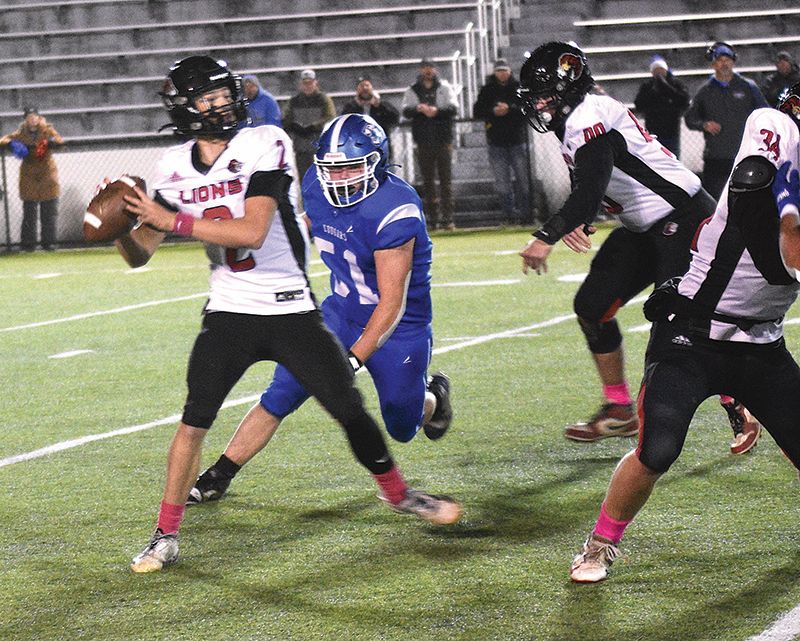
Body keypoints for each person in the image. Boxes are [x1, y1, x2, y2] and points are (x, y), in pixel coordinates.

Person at [119, 56, 462, 574]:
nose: (340, 178)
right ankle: (197, 498)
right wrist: (119, 225)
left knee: (394, 421)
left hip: (373, 320)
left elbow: (259, 234)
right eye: (207, 98)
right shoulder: (182, 167)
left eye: (224, 94)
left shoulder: (273, 146)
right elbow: (142, 248)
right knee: (229, 409)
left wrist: (173, 219)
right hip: (285, 308)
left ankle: (427, 415)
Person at [568, 82, 800, 584]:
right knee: (658, 449)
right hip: (692, 334)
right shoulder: (775, 130)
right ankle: (601, 542)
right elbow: (761, 191)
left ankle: (739, 402)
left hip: (759, 344)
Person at [186, 114, 454, 504]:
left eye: (350, 169)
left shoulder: (396, 208)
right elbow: (306, 223)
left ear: (376, 163)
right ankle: (220, 473)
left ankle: (434, 398)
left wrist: (354, 360)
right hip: (340, 312)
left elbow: (391, 303)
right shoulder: (314, 183)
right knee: (283, 389)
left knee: (402, 424)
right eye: (333, 170)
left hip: (398, 326)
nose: (339, 179)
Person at [516, 42, 760, 454]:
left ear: (569, 84)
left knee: (683, 326)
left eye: (545, 93)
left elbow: (592, 185)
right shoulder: (578, 115)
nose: (539, 104)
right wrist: (582, 216)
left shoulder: (589, 116)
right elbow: (600, 177)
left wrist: (548, 234)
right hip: (644, 225)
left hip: (683, 219)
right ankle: (618, 409)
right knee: (592, 307)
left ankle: (739, 403)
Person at [685, 42, 768, 200]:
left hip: (744, 154)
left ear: (733, 62)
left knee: (746, 200)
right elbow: (690, 118)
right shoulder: (705, 91)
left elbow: (765, 113)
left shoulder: (748, 87)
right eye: (720, 60)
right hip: (716, 157)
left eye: (727, 59)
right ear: (713, 64)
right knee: (715, 200)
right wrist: (704, 125)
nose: (724, 64)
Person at [401, 58, 458, 231]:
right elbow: (405, 110)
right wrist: (419, 109)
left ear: (435, 70)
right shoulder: (413, 90)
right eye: (425, 68)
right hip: (424, 141)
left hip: (443, 140)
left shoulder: (444, 87)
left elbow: (453, 108)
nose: (428, 71)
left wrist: (437, 111)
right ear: (420, 70)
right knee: (428, 182)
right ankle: (432, 219)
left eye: (430, 68)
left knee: (446, 181)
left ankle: (448, 218)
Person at [473, 58, 531, 224]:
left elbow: (527, 108)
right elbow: (478, 110)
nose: (502, 74)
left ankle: (526, 214)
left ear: (509, 71)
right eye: (499, 71)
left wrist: (510, 109)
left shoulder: (519, 88)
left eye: (504, 70)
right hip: (496, 141)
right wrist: (493, 111)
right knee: (502, 181)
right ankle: (508, 215)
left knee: (523, 179)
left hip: (517, 139)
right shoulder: (487, 90)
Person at [0, 107, 63, 251]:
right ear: (25, 119)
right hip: (29, 174)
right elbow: (4, 139)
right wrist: (10, 143)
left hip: (47, 173)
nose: (32, 119)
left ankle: (49, 242)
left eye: (34, 116)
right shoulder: (21, 133)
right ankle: (28, 244)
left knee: (49, 210)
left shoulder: (47, 131)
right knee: (29, 211)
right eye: (29, 117)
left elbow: (59, 141)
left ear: (39, 117)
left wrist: (52, 142)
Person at [283, 69, 336, 179]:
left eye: (310, 82)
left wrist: (314, 126)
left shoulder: (324, 100)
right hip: (300, 147)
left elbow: (330, 117)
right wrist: (294, 126)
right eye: (305, 83)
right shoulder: (294, 101)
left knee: (322, 177)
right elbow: (285, 118)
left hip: (319, 146)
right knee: (304, 178)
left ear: (315, 82)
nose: (307, 86)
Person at [633, 55, 690, 157]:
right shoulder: (648, 86)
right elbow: (639, 104)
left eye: (661, 70)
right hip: (653, 129)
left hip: (671, 130)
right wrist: (652, 92)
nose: (659, 73)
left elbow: (684, 100)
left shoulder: (675, 84)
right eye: (656, 70)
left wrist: (668, 89)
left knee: (672, 157)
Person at [340, 74, 400, 159]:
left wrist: (380, 105)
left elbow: (395, 117)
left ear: (372, 88)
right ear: (357, 90)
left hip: (380, 146)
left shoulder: (382, 105)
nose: (365, 88)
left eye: (367, 85)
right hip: (358, 148)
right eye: (362, 86)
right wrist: (357, 106)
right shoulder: (351, 106)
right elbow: (344, 121)